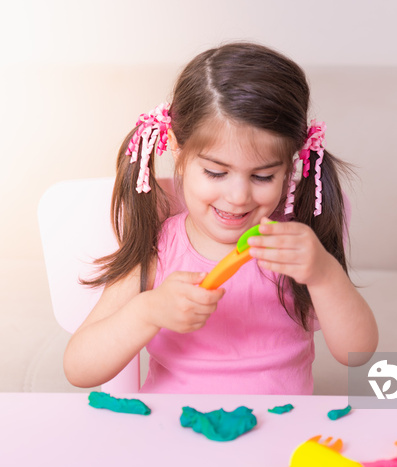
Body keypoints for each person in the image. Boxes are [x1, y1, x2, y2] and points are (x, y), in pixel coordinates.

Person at [64, 42, 378, 394]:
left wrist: (324, 274)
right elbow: (79, 367)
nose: (238, 196)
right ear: (178, 152)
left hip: (280, 429)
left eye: (262, 177)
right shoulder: (160, 247)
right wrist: (146, 312)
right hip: (173, 431)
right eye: (216, 172)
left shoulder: (292, 248)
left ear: (291, 167)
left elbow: (357, 354)